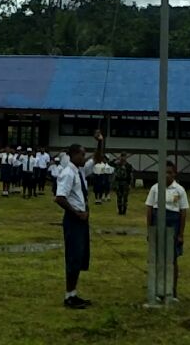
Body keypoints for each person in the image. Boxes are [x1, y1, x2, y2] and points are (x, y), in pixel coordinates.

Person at [55, 130, 105, 309]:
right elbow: (60, 197)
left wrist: (100, 142)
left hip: (82, 220)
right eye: (82, 154)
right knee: (73, 257)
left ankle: (74, 293)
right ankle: (69, 296)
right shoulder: (68, 173)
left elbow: (97, 158)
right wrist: (77, 213)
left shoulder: (80, 171)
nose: (85, 157)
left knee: (80, 257)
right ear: (73, 155)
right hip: (74, 220)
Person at [145, 161, 189, 301]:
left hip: (173, 223)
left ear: (174, 174)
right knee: (158, 258)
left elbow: (183, 212)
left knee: (172, 259)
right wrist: (149, 230)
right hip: (158, 222)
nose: (167, 175)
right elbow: (149, 209)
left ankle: (172, 291)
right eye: (164, 172)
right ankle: (158, 290)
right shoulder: (155, 188)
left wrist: (181, 234)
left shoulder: (179, 190)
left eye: (170, 172)